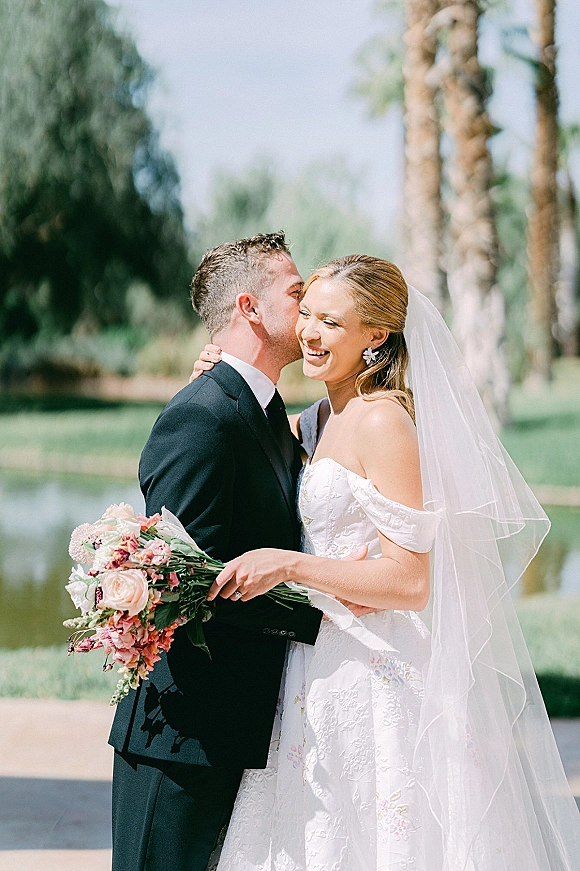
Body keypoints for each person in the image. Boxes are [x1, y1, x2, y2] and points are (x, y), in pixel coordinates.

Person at [195, 255, 580, 870]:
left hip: (376, 669)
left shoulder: (383, 420)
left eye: (332, 322)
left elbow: (410, 580)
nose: (311, 334)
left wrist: (289, 566)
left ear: (376, 335)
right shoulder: (319, 419)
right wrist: (221, 377)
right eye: (309, 315)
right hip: (315, 661)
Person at [108, 232, 327, 871]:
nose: (310, 302)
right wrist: (319, 616)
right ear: (250, 308)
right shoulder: (201, 419)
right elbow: (181, 587)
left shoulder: (267, 416)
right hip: (181, 737)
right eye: (297, 292)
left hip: (241, 732)